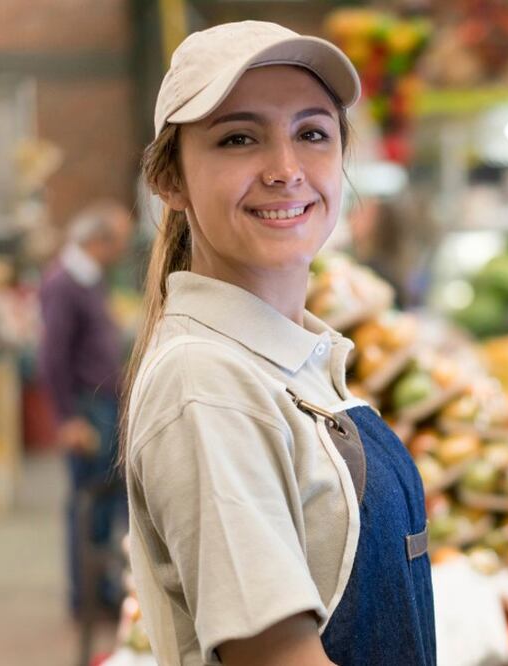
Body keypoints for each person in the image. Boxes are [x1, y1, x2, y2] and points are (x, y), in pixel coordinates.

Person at [122, 21, 435, 666]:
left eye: (312, 134)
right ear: (170, 182)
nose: (286, 170)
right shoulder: (207, 384)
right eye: (239, 138)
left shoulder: (290, 359)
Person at [39, 200, 133, 616]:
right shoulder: (66, 283)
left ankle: (102, 590)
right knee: (90, 501)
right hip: (86, 406)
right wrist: (67, 418)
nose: (120, 253)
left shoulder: (86, 279)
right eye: (117, 244)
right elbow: (52, 355)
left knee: (104, 501)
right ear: (98, 241)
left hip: (100, 401)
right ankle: (90, 598)